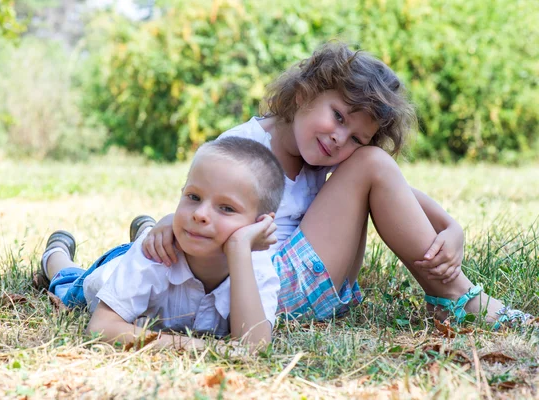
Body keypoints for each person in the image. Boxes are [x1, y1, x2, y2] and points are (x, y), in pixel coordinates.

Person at [141, 41, 532, 328]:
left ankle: (455, 294)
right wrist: (166, 223)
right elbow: (204, 208)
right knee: (372, 165)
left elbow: (395, 190)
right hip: (261, 290)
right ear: (305, 91)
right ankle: (456, 297)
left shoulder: (319, 154)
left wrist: (451, 226)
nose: (339, 139)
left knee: (372, 165)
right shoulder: (243, 149)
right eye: (339, 117)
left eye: (358, 138)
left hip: (315, 287)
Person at [35, 137, 285, 351]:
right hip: (121, 266)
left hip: (158, 251)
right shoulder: (152, 257)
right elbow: (101, 328)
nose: (200, 214)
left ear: (260, 224)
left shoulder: (258, 267)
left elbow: (254, 347)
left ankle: (148, 227)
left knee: (156, 240)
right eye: (193, 197)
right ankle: (55, 255)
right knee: (69, 283)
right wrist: (201, 347)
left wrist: (240, 249)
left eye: (227, 208)